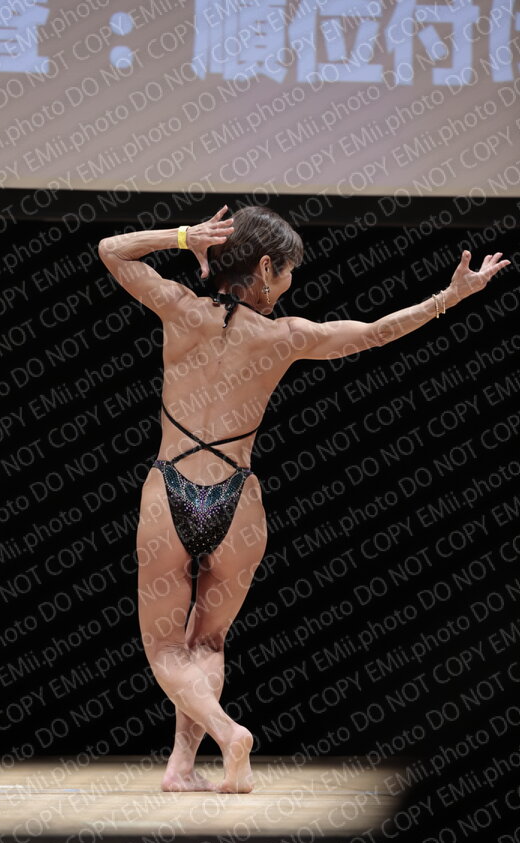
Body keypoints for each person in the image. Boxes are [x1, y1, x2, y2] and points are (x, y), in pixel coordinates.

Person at [98, 204, 510, 793]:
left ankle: (215, 741)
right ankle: (187, 762)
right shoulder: (284, 336)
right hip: (236, 501)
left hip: (170, 492)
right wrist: (450, 297)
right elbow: (374, 332)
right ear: (266, 268)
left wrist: (187, 237)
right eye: (288, 271)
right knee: (207, 640)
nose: (290, 283)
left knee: (166, 649)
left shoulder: (178, 307)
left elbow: (111, 250)